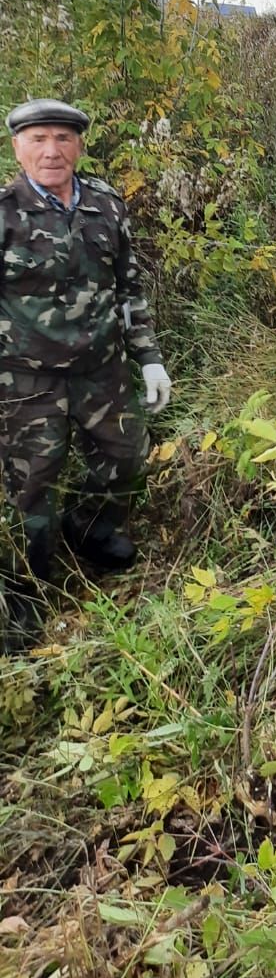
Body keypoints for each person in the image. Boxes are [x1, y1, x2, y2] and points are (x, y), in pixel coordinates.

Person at [0, 100, 171, 646]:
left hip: (102, 370)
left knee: (124, 458)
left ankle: (94, 532)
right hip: (25, 381)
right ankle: (24, 596)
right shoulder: (4, 212)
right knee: (30, 488)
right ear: (17, 147)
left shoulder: (105, 204)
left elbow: (128, 287)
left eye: (63, 139)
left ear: (79, 145)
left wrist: (149, 358)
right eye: (39, 139)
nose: (52, 151)